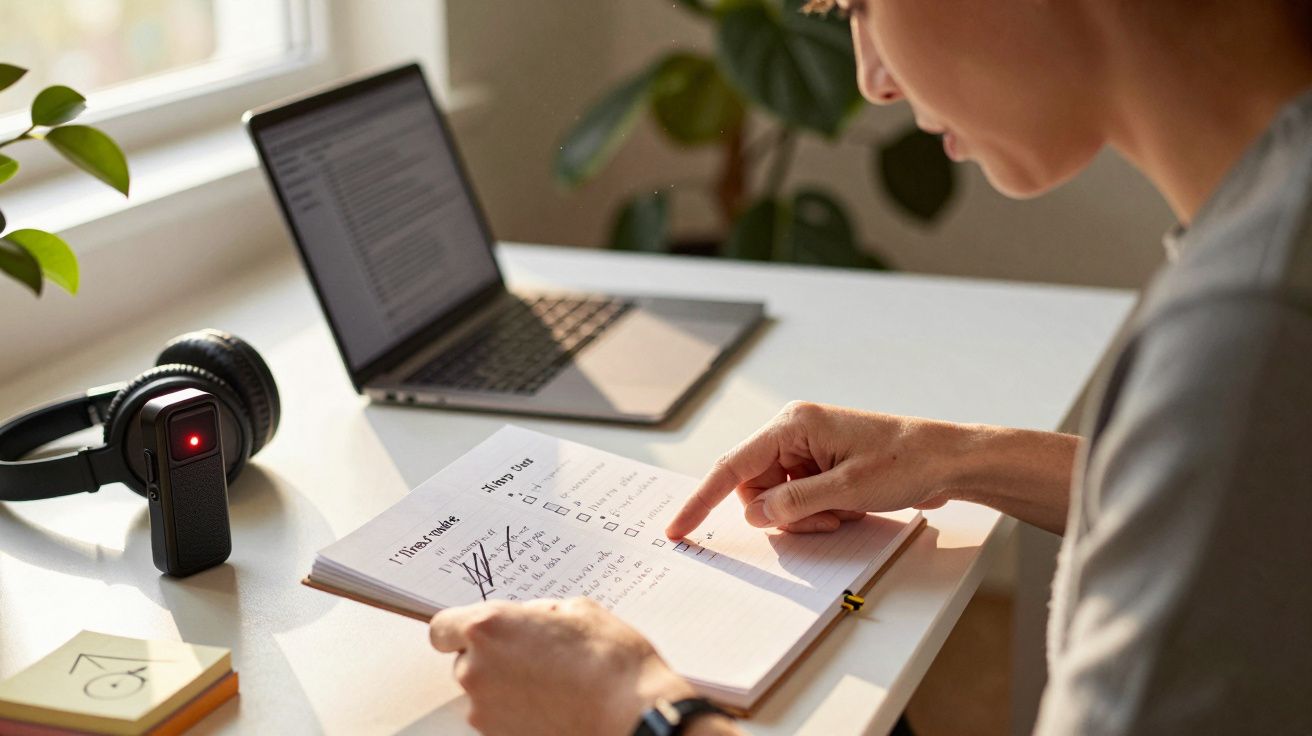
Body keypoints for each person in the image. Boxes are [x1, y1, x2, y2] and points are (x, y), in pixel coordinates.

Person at [428, 0, 1312, 733]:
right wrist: (957, 456)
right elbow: (1270, 503)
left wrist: (636, 708)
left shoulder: (1253, 328)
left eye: (856, 3)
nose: (870, 78)